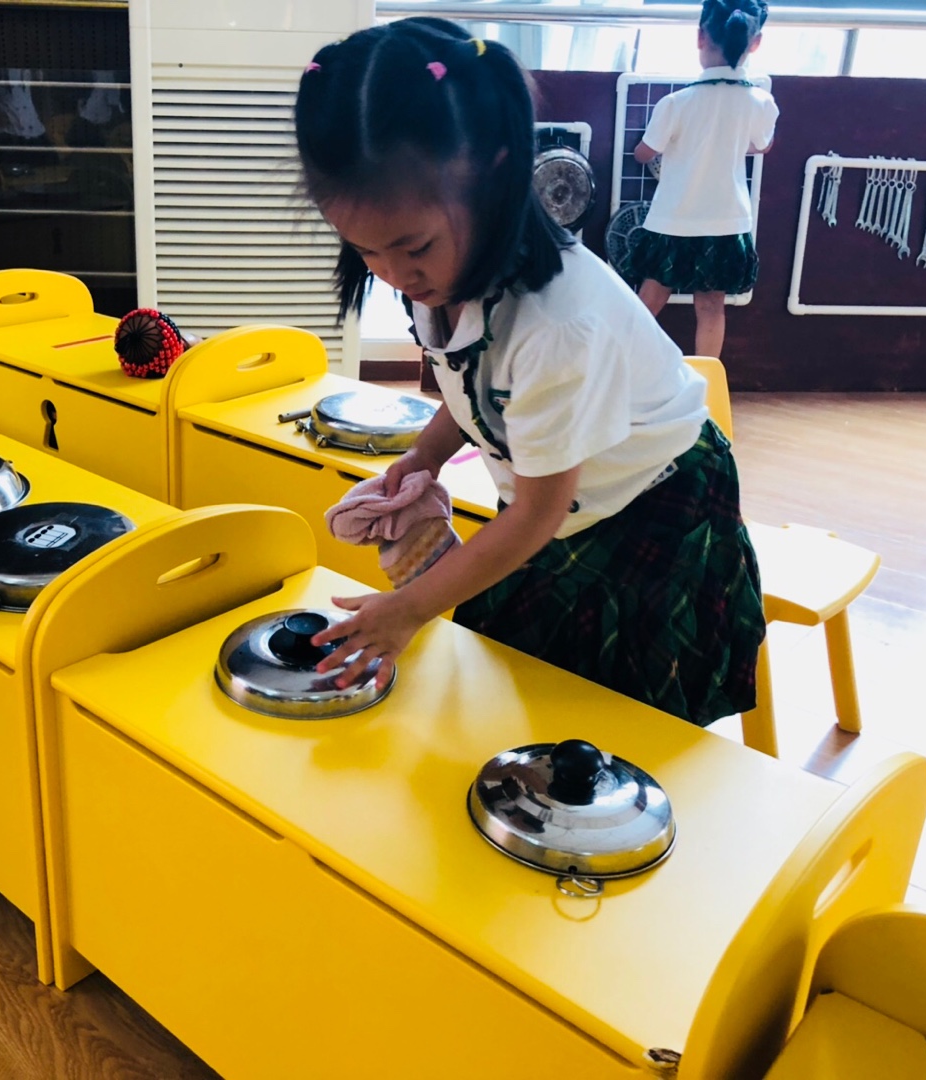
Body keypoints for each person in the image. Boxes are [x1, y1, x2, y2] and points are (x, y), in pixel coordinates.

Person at [295, 17, 765, 727]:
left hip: (653, 502)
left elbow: (538, 514)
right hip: (562, 496)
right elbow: (473, 381)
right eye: (365, 251)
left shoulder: (556, 323)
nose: (394, 274)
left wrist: (409, 609)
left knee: (611, 715)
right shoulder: (445, 270)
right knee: (521, 671)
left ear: (495, 174)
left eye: (413, 247)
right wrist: (424, 456)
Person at [630, 0, 779, 359]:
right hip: (726, 222)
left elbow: (644, 153)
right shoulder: (761, 102)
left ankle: (626, 372)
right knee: (712, 307)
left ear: (700, 37)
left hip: (674, 218)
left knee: (648, 301)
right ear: (755, 43)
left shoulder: (675, 103)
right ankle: (706, 382)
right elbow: (763, 146)